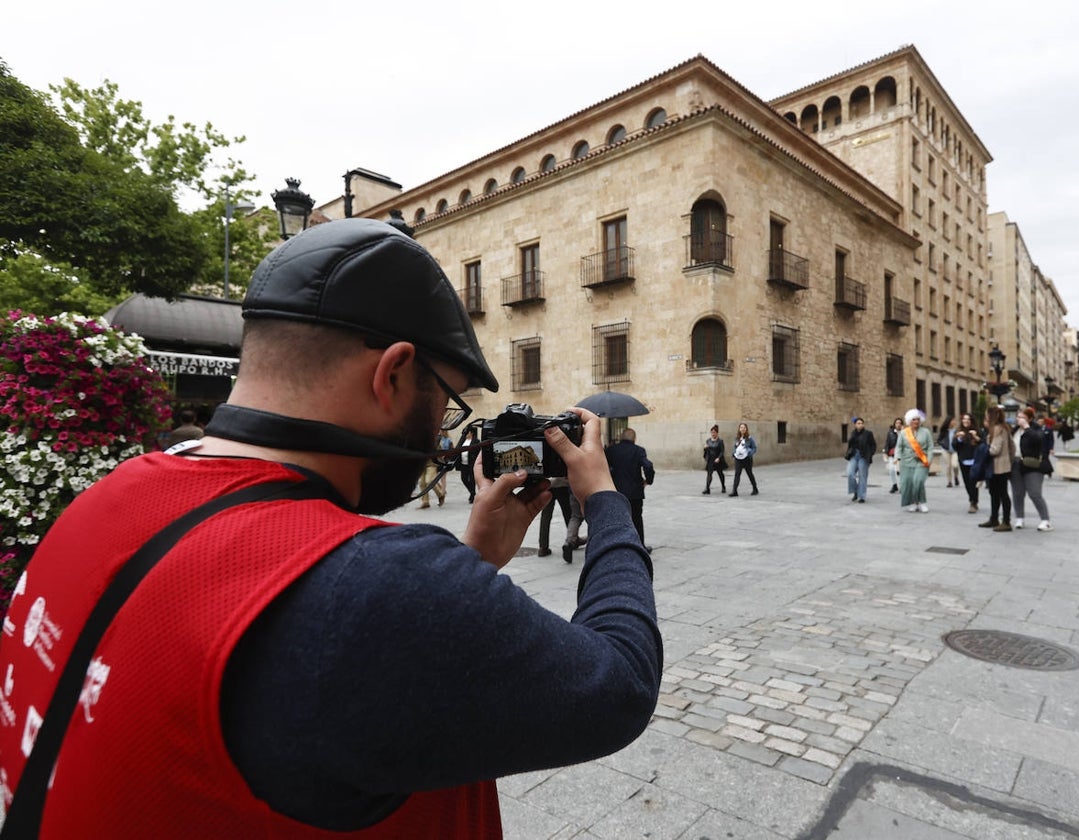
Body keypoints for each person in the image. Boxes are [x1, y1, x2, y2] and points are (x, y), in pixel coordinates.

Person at [0, 219, 661, 837]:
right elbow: (620, 686)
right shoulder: (378, 584)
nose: (441, 430)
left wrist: (473, 556)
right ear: (394, 373)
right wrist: (603, 496)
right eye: (446, 402)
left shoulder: (105, 497)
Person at [606, 427, 655, 550]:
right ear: (634, 439)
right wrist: (648, 481)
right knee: (637, 519)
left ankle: (617, 546)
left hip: (615, 491)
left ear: (621, 437)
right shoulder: (638, 450)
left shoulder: (611, 450)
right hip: (634, 492)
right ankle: (640, 546)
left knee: (617, 519)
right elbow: (648, 466)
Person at [1010, 407, 1053, 531]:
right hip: (1016, 464)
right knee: (1017, 493)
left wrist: (1027, 428)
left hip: (1032, 465)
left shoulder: (1036, 429)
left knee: (1034, 493)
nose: (1019, 420)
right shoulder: (1015, 430)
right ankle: (1019, 518)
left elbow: (1038, 440)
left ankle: (1045, 520)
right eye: (1018, 417)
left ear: (1029, 418)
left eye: (1022, 417)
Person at [979, 405, 1014, 531]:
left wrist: (983, 449)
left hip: (999, 466)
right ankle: (994, 518)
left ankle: (1006, 522)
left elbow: (995, 450)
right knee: (994, 493)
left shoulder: (998, 430)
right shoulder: (1002, 428)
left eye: (986, 415)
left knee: (1001, 493)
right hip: (999, 465)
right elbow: (1012, 447)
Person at [895, 408, 932, 512]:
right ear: (909, 421)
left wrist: (929, 460)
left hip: (922, 461)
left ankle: (922, 502)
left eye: (918, 419)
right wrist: (897, 458)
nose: (916, 421)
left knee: (918, 481)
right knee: (909, 483)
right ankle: (914, 503)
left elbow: (930, 447)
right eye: (914, 419)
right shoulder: (903, 433)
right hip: (906, 462)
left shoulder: (926, 432)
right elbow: (899, 447)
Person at [952, 412, 982, 513]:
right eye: (964, 419)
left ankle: (973, 502)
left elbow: (982, 444)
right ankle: (973, 499)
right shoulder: (959, 431)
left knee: (973, 481)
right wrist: (959, 438)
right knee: (967, 482)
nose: (966, 421)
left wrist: (976, 437)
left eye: (968, 419)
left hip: (975, 460)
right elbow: (955, 446)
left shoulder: (977, 431)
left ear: (971, 421)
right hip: (963, 460)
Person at [537, 476, 573, 556]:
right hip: (561, 483)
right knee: (567, 513)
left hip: (547, 484)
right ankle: (572, 539)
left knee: (546, 516)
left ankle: (543, 547)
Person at [845, 416, 876, 503]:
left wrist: (870, 454)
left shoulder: (868, 433)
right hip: (854, 455)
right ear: (855, 425)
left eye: (862, 423)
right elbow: (850, 445)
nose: (860, 425)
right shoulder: (853, 433)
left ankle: (861, 496)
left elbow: (873, 445)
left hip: (864, 456)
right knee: (850, 473)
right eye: (858, 423)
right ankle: (855, 491)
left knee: (862, 476)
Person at [730, 422, 759, 496]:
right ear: (739, 429)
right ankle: (734, 491)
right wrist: (734, 453)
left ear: (746, 429)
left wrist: (750, 453)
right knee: (737, 474)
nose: (742, 429)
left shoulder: (749, 438)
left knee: (749, 473)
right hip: (738, 458)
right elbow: (735, 447)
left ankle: (755, 488)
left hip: (747, 459)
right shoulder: (737, 438)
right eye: (741, 428)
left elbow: (754, 448)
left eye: (744, 428)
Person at [702, 424, 727, 494]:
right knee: (709, 474)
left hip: (718, 460)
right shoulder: (708, 441)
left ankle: (723, 486)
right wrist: (705, 448)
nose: (713, 434)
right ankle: (707, 488)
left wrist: (718, 458)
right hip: (711, 460)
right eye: (712, 432)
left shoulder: (720, 441)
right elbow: (706, 451)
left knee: (720, 474)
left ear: (717, 433)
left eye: (714, 432)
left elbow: (722, 451)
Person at [937, 416, 959, 487]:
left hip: (955, 450)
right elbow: (939, 440)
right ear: (949, 422)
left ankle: (956, 476)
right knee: (948, 466)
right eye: (953, 420)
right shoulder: (944, 431)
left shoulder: (957, 431)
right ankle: (949, 482)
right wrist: (943, 444)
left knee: (955, 465)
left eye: (954, 421)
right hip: (946, 450)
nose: (954, 422)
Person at [458, 426, 478, 503]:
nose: (466, 434)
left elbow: (477, 452)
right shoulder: (463, 440)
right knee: (464, 479)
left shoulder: (476, 441)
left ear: (471, 433)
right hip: (463, 463)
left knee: (472, 480)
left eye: (467, 432)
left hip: (471, 464)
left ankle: (472, 496)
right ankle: (472, 492)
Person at [885, 417, 903, 494]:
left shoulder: (905, 432)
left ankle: (902, 486)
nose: (898, 424)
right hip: (892, 453)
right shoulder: (890, 433)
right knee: (892, 469)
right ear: (894, 424)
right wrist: (885, 452)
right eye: (897, 423)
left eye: (900, 423)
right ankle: (894, 484)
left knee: (902, 471)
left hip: (902, 454)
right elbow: (887, 443)